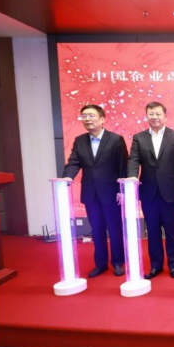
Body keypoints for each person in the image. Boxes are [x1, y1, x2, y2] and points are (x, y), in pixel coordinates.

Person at [62, 104, 128, 278]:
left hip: (111, 193)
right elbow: (73, 162)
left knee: (115, 229)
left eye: (91, 115)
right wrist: (67, 177)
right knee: (97, 230)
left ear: (102, 119)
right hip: (90, 193)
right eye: (84, 116)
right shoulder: (80, 141)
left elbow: (123, 166)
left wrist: (121, 189)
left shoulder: (115, 139)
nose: (87, 119)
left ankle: (118, 262)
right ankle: (101, 263)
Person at [126, 102, 174, 279]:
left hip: (171, 191)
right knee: (152, 232)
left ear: (165, 116)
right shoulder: (139, 138)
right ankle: (156, 266)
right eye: (151, 114)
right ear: (146, 116)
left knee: (172, 231)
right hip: (148, 192)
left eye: (158, 114)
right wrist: (132, 177)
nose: (154, 117)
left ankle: (173, 265)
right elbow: (133, 160)